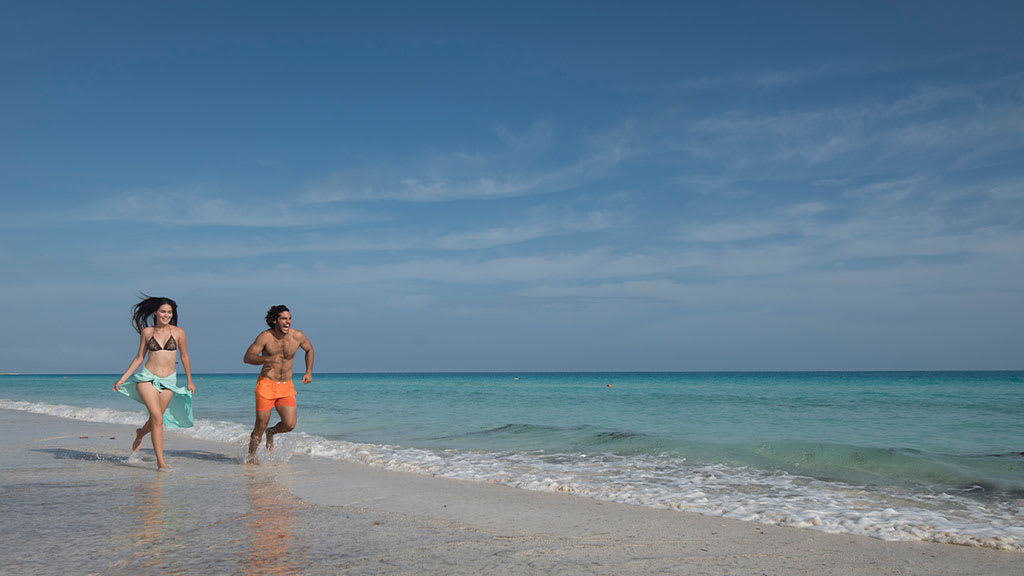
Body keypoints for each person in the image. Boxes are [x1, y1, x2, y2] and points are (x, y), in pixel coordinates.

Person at [113, 295, 195, 470]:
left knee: (156, 420)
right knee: (158, 418)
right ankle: (161, 462)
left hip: (169, 381)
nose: (166, 315)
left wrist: (189, 380)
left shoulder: (179, 333)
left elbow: (184, 356)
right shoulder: (147, 332)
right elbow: (139, 358)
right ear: (156, 313)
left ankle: (140, 434)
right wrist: (123, 378)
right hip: (147, 378)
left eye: (169, 312)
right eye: (163, 311)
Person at [244, 305, 314, 464]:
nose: (288, 321)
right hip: (266, 384)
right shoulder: (265, 337)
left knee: (289, 424)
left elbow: (309, 349)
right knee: (260, 424)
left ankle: (272, 432)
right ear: (275, 320)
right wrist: (266, 359)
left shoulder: (297, 336)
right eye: (284, 318)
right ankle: (251, 458)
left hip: (286, 385)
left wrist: (308, 371)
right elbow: (248, 357)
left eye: (289, 318)